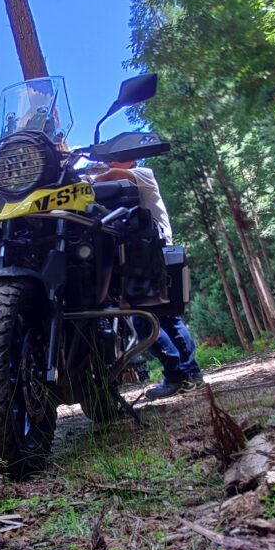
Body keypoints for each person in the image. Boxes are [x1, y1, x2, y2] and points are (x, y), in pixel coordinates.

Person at [90, 157, 203, 400]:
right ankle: (189, 374)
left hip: (156, 251)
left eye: (112, 160)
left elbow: (110, 175)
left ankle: (178, 374)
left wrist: (89, 179)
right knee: (165, 318)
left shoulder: (144, 174)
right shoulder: (123, 189)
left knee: (145, 319)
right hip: (143, 253)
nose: (108, 164)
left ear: (129, 160)